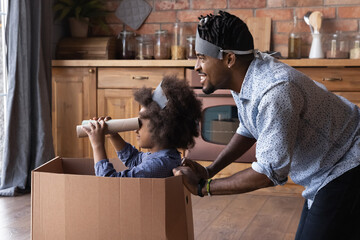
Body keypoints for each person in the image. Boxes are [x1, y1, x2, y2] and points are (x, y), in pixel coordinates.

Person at [173, 11, 360, 240]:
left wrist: (204, 188)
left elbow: (268, 173)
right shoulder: (244, 76)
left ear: (229, 59)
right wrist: (210, 170)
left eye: (202, 57)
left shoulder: (274, 91)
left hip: (348, 163)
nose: (196, 67)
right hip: (326, 168)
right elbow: (249, 128)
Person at [83, 75, 202, 178]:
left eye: (140, 124)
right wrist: (113, 135)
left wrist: (97, 145)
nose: (135, 130)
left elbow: (109, 184)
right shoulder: (163, 156)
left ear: (161, 129)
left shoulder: (160, 164)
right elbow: (133, 158)